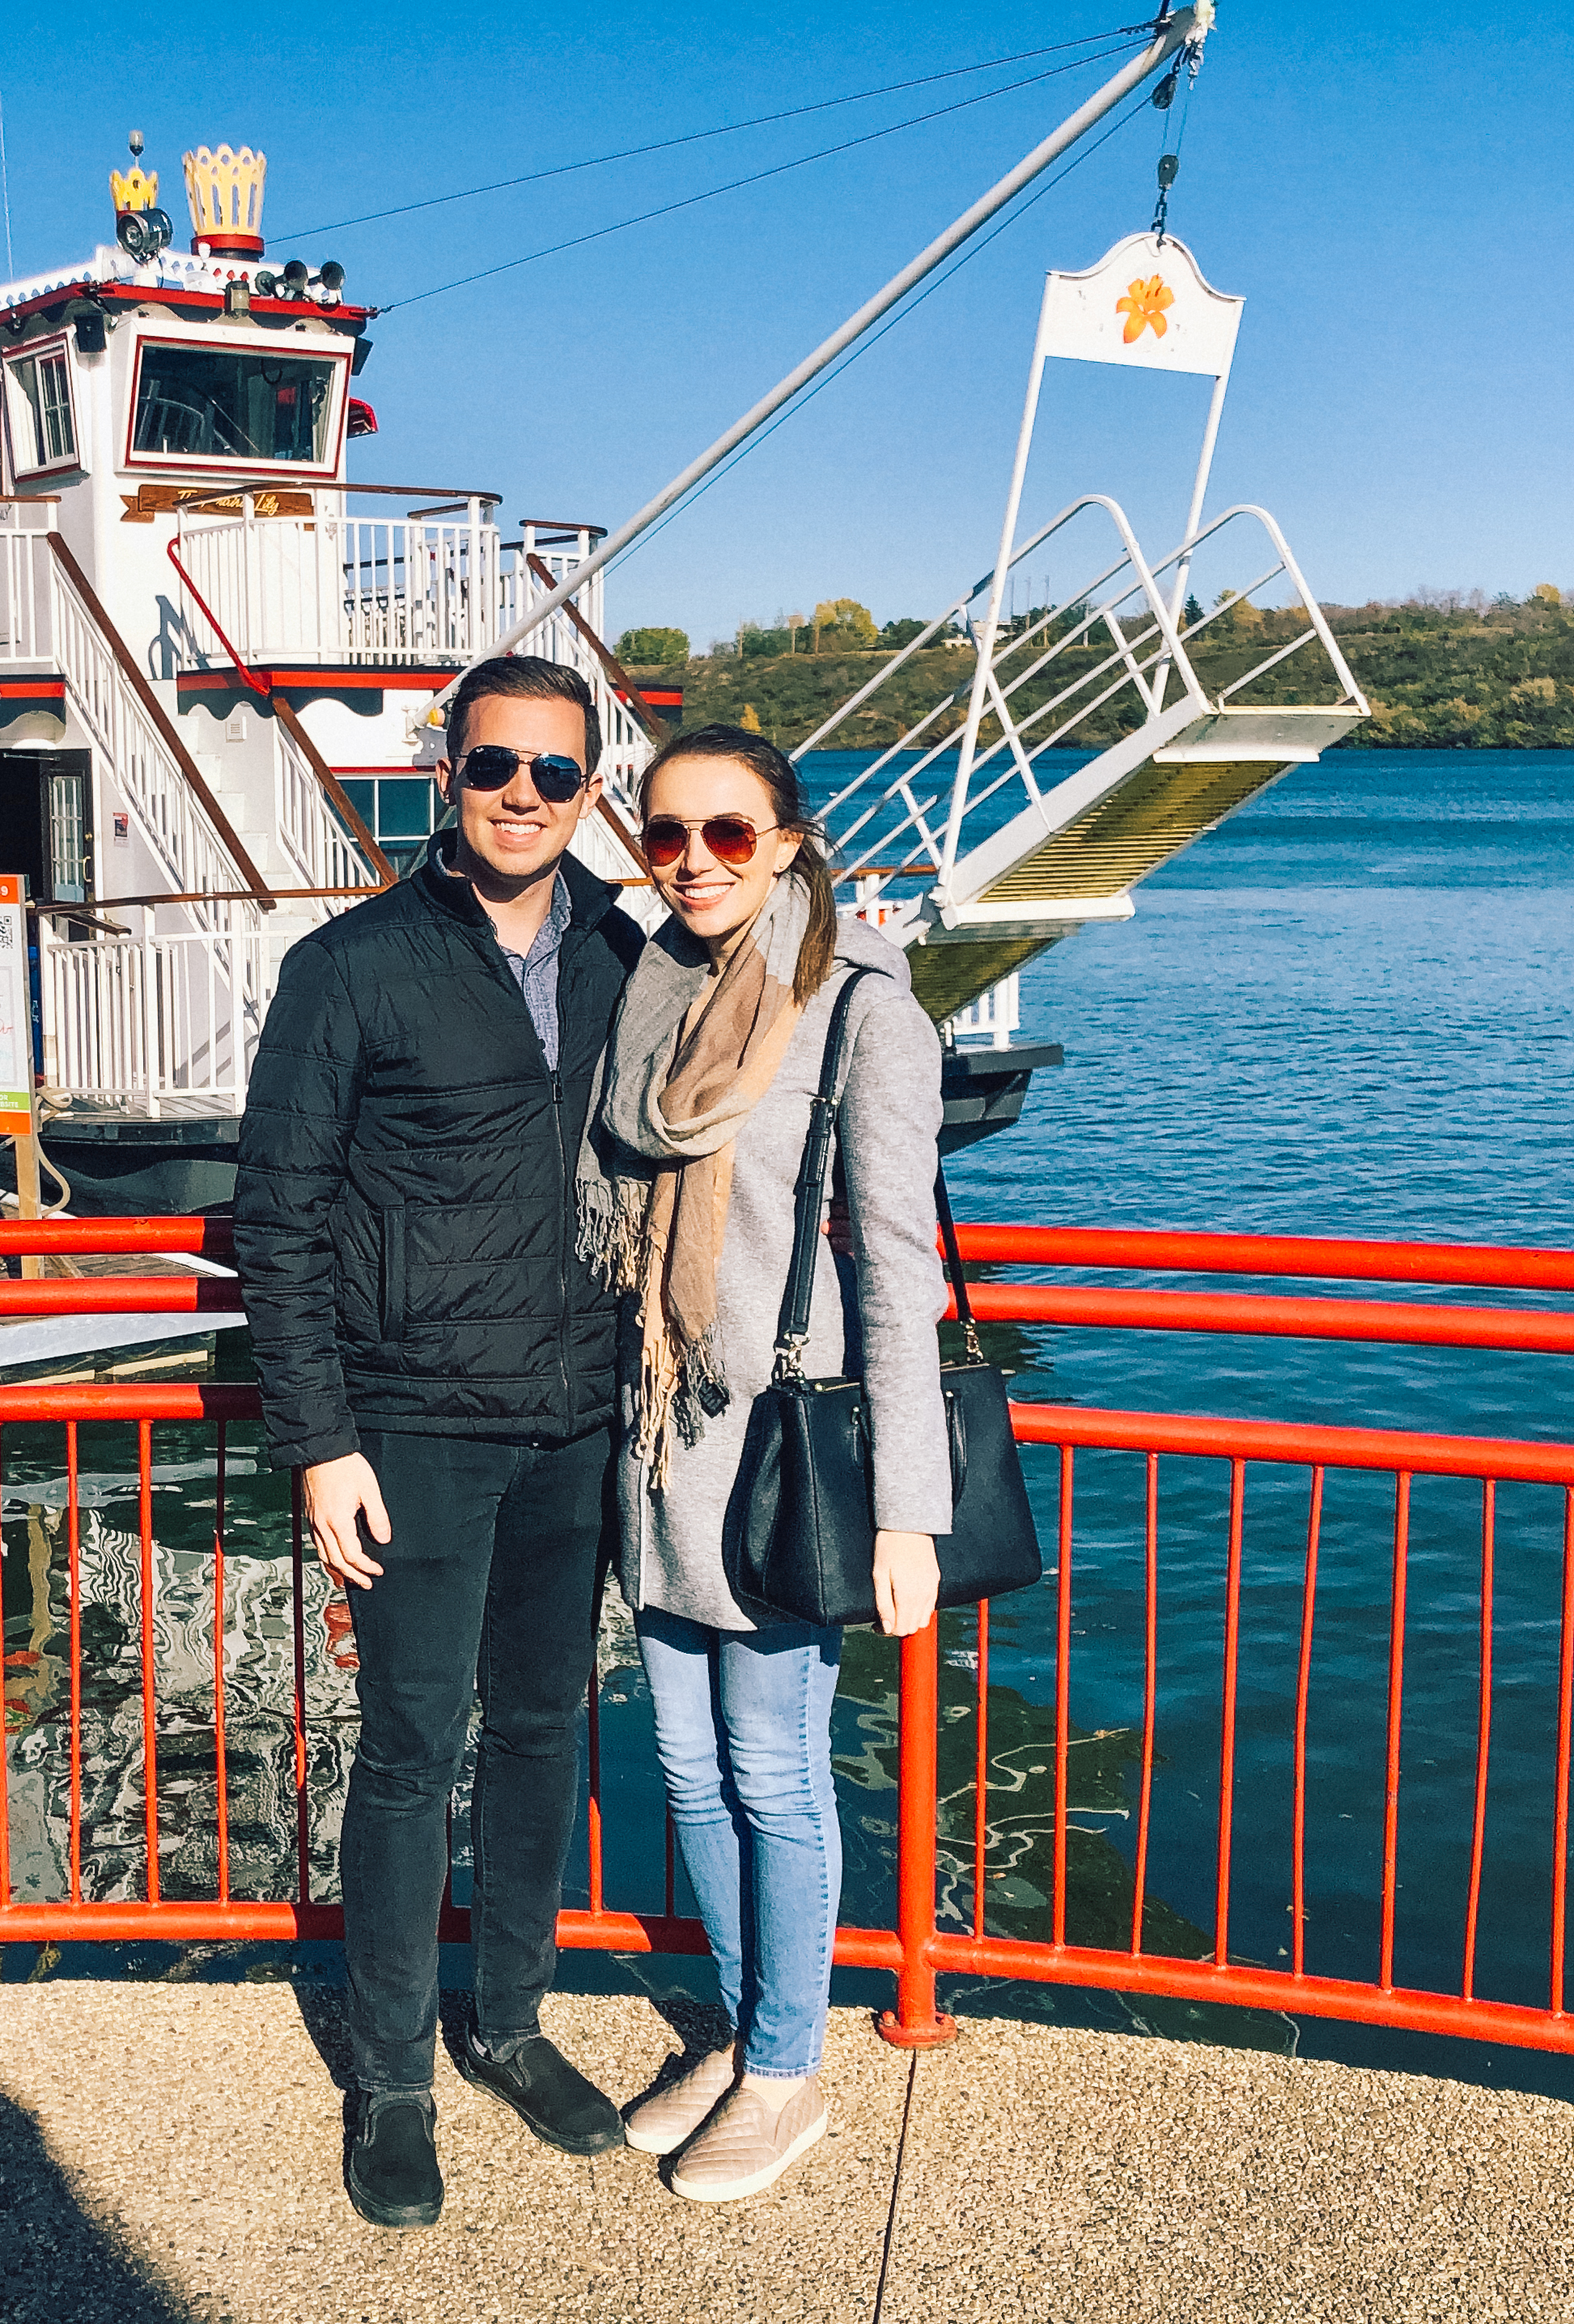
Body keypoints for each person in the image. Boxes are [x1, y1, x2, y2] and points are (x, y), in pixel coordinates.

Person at [232, 653, 647, 2230]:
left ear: (591, 788)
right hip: (413, 1425)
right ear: (446, 774)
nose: (524, 797)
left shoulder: (630, 953)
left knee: (544, 1730)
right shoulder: (353, 966)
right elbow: (278, 1216)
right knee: (410, 1754)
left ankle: (515, 2024)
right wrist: (320, 1440)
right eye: (495, 768)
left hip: (580, 1417)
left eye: (555, 772)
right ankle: (393, 2077)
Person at [583, 720, 948, 2203]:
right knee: (683, 1769)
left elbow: (902, 1270)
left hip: (776, 1455)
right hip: (650, 1432)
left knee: (774, 1772)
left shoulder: (860, 1007)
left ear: (787, 841)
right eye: (666, 837)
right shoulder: (648, 990)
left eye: (729, 835)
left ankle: (788, 2069)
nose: (694, 864)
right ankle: (741, 2031)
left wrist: (908, 1511)